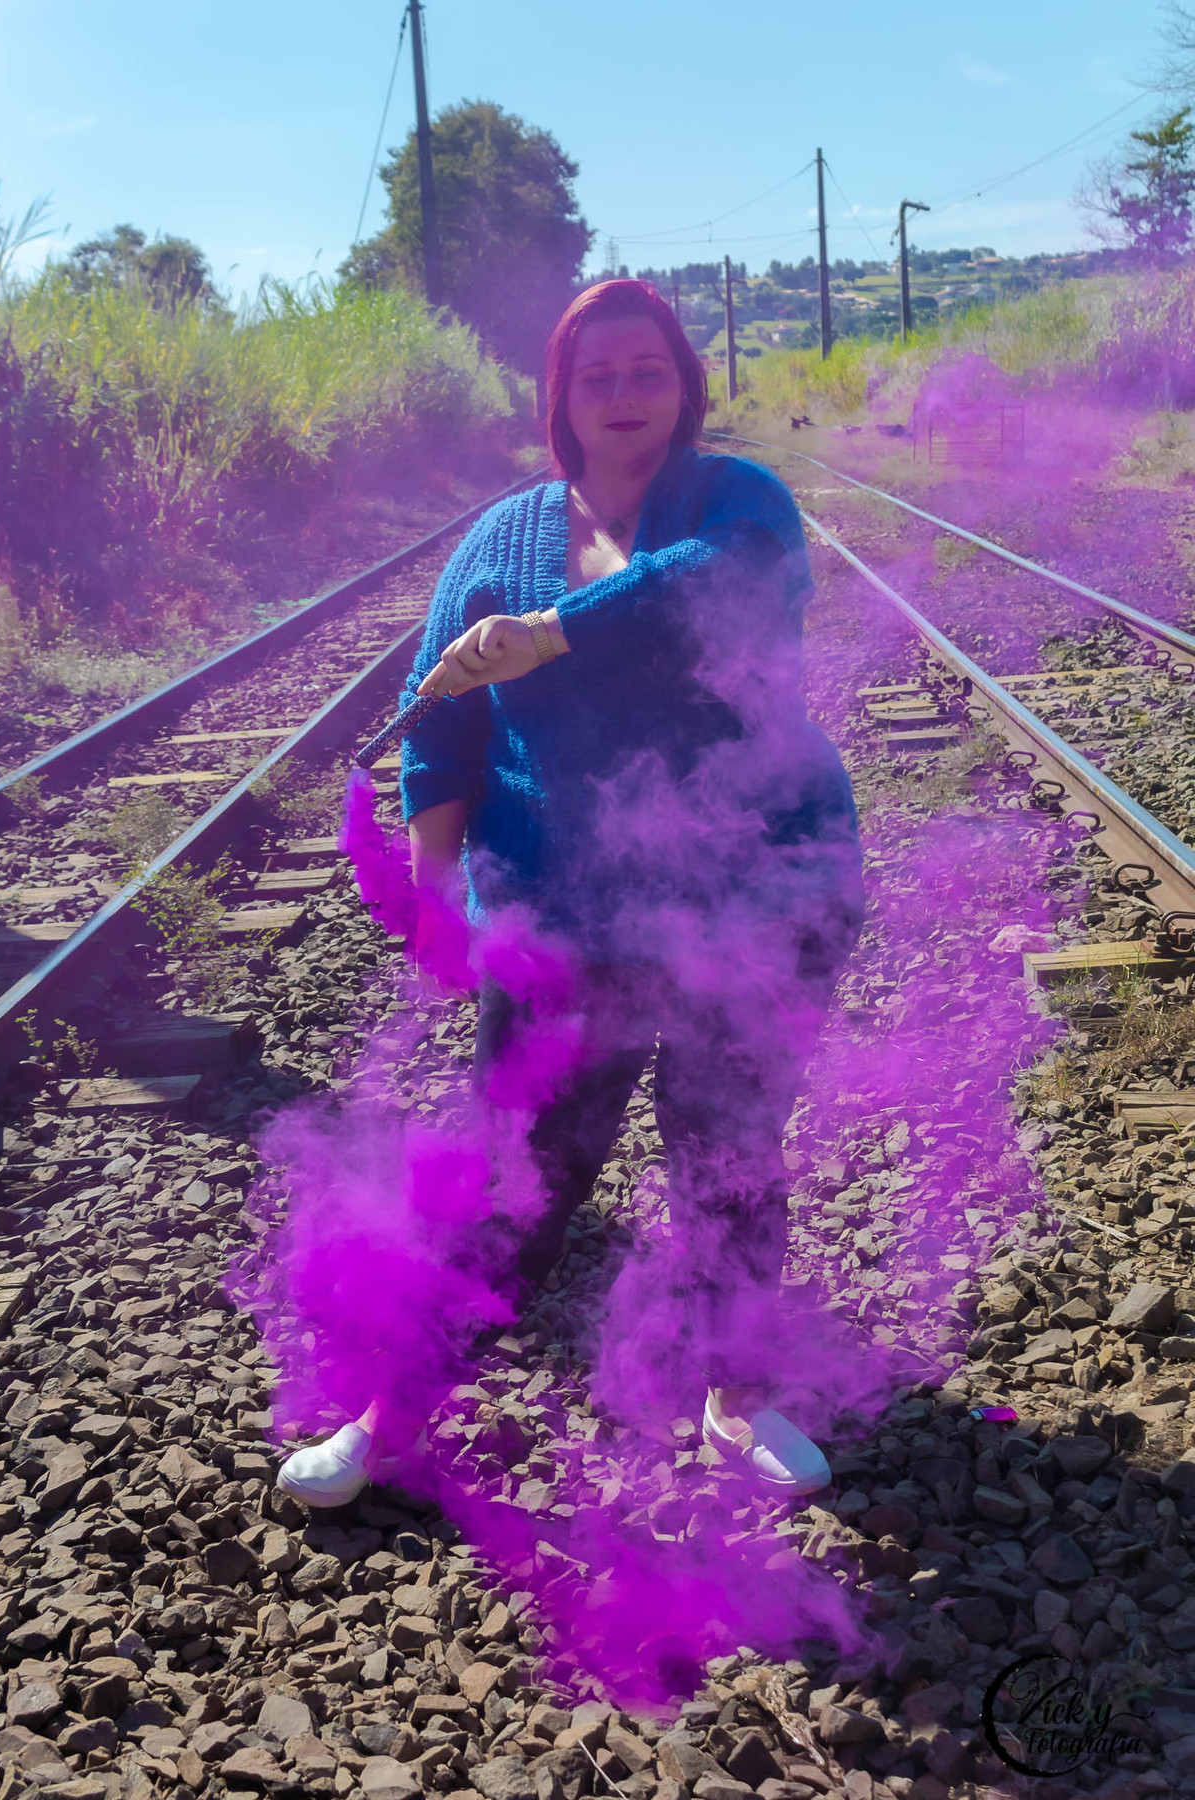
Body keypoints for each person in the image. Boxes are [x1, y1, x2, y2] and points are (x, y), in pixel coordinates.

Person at [277, 279, 862, 1508]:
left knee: (727, 1154)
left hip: (759, 895)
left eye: (649, 369)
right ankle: (392, 1415)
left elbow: (713, 583)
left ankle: (737, 1401)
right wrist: (436, 892)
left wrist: (551, 631)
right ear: (561, 398)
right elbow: (440, 730)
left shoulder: (739, 500)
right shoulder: (496, 543)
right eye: (598, 375)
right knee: (513, 1179)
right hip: (565, 916)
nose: (625, 394)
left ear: (684, 385)